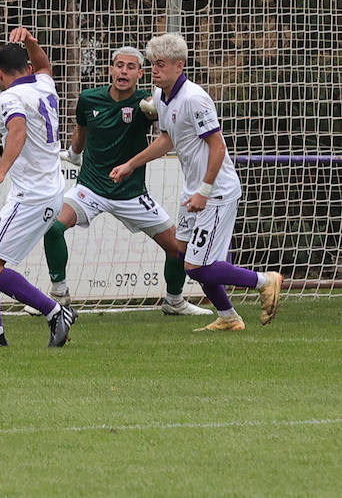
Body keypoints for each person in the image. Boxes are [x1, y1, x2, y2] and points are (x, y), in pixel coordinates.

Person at [109, 33, 283, 331]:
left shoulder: (195, 99)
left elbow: (218, 147)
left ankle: (266, 281)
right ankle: (228, 318)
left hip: (216, 192)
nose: (155, 69)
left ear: (180, 65)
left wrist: (204, 191)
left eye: (160, 64)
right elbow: (166, 140)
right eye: (152, 64)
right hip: (194, 191)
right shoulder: (162, 96)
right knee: (181, 252)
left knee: (197, 266)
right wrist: (130, 164)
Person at [25, 46, 211, 317]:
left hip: (131, 193)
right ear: (111, 69)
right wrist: (75, 154)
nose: (123, 71)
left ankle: (174, 301)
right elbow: (81, 132)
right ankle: (59, 293)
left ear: (140, 73)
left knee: (178, 248)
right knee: (52, 227)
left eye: (130, 67)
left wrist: (155, 110)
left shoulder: (147, 104)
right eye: (119, 65)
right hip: (90, 188)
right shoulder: (89, 99)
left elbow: (167, 121)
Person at [0, 27, 78, 348]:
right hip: (44, 192)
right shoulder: (44, 84)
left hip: (32, 197)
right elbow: (45, 66)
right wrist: (31, 41)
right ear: (27, 69)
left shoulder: (10, 96)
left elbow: (18, 132)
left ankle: (55, 311)